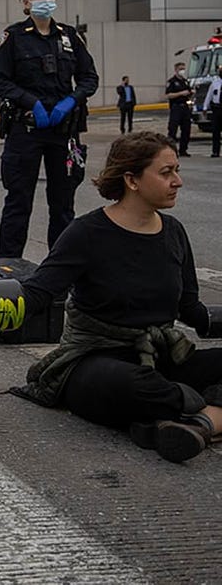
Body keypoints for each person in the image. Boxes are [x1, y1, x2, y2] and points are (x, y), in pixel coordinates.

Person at [12, 132, 222, 464]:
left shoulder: (174, 231)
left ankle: (184, 424)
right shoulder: (86, 233)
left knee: (162, 381)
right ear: (131, 180)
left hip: (160, 357)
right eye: (166, 172)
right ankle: (208, 417)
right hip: (95, 361)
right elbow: (38, 292)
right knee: (136, 385)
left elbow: (191, 311)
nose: (178, 181)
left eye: (177, 170)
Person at [0, 0, 98, 258]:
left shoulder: (70, 37)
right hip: (26, 130)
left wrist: (71, 101)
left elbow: (90, 78)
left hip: (64, 131)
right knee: (18, 202)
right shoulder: (13, 37)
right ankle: (8, 266)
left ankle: (60, 268)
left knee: (63, 206)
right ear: (25, 2)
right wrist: (31, 103)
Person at [164, 61, 194, 157]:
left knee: (186, 129)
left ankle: (183, 150)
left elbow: (189, 92)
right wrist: (181, 93)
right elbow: (169, 95)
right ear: (176, 70)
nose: (182, 71)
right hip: (176, 107)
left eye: (183, 69)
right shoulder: (172, 82)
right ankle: (171, 151)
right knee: (173, 130)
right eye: (181, 69)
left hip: (185, 107)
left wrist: (191, 92)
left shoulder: (185, 81)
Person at [203, 65, 221, 158]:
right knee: (215, 131)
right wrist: (205, 107)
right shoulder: (215, 83)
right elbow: (209, 95)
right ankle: (215, 151)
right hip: (217, 109)